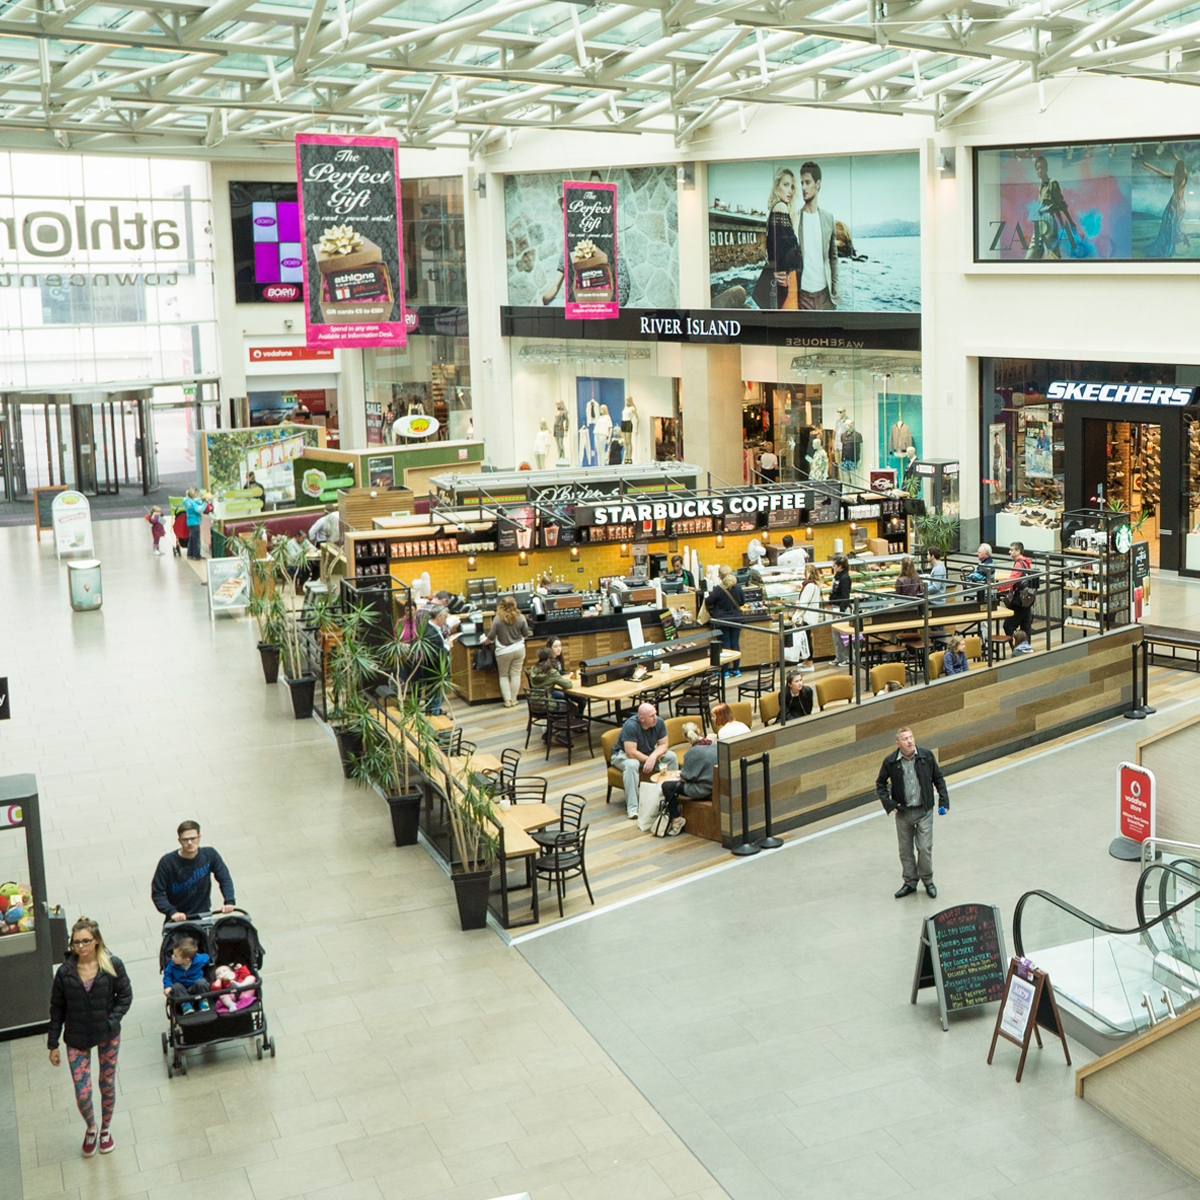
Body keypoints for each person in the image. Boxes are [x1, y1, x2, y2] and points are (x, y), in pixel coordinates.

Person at [47, 917, 133, 1158]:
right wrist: (52, 1043)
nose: (80, 947)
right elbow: (57, 1008)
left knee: (107, 1084)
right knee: (82, 1091)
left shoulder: (111, 964)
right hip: (76, 1036)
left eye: (86, 941)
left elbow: (125, 995)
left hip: (107, 1034)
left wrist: (112, 1020)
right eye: (76, 942)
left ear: (96, 941)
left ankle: (105, 1129)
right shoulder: (65, 973)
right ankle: (91, 1128)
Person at [876, 728, 949, 899]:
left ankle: (928, 881)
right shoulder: (891, 762)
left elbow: (938, 779)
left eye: (911, 737)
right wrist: (889, 803)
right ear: (898, 743)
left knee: (924, 847)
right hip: (903, 812)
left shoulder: (926, 756)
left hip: (924, 810)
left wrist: (944, 802)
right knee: (905, 850)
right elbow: (880, 784)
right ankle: (910, 882)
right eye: (905, 739)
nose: (909, 741)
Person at [152, 821, 236, 923]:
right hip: (178, 919)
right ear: (179, 841)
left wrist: (229, 901)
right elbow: (157, 892)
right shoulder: (167, 862)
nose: (190, 843)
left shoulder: (210, 855)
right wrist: (172, 912)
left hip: (203, 914)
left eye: (193, 838)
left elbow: (224, 879)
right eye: (185, 840)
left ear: (199, 837)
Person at [785, 161, 840, 310]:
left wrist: (835, 289)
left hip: (826, 297)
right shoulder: (795, 218)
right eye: (801, 183)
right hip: (803, 298)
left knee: (830, 334)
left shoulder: (828, 218)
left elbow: (833, 258)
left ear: (818, 184)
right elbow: (786, 256)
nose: (803, 188)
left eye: (807, 182)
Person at [611, 703, 679, 820]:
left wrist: (653, 757)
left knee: (671, 757)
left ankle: (672, 797)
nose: (655, 718)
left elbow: (664, 744)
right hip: (622, 754)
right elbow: (630, 752)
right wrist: (649, 759)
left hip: (648, 753)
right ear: (642, 719)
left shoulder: (659, 722)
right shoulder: (631, 726)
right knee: (633, 764)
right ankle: (632, 808)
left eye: (655, 714)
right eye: (651, 716)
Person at [753, 167, 801, 310]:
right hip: (787, 278)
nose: (790, 191)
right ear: (776, 186)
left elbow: (774, 247)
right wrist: (796, 223)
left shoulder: (774, 209)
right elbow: (792, 248)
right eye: (785, 185)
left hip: (782, 276)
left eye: (792, 187)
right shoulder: (781, 207)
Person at [660, 723, 718, 836]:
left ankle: (676, 819)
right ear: (699, 731)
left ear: (684, 736)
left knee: (667, 786)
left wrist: (678, 776)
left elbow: (686, 777)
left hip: (702, 790)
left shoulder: (692, 752)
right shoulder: (713, 745)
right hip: (715, 786)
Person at [1026, 154, 1080, 260]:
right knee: (1031, 256)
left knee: (1051, 255)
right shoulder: (1041, 186)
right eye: (1037, 169)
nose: (1040, 171)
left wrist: (1070, 221)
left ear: (1046, 168)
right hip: (1040, 220)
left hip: (1048, 219)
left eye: (1042, 168)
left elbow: (1061, 204)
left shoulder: (1052, 183)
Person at [483, 596, 531, 709]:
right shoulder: (521, 617)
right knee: (516, 674)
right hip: (519, 649)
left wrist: (485, 642)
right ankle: (514, 699)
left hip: (503, 651)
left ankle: (507, 700)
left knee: (503, 675)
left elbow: (491, 635)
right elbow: (526, 634)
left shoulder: (498, 619)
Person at [529, 644, 586, 719]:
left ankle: (555, 725)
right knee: (572, 707)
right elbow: (568, 685)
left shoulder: (533, 669)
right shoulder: (552, 672)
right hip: (546, 706)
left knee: (564, 699)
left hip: (533, 704)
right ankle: (564, 727)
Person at [705, 568, 745, 675]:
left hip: (722, 620)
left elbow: (708, 601)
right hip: (736, 619)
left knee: (725, 645)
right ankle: (736, 669)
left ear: (721, 577)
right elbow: (742, 602)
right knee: (735, 644)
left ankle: (725, 670)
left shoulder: (719, 589)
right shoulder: (738, 587)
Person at [416, 604, 454, 715]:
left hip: (432, 673)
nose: (445, 620)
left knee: (432, 701)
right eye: (445, 617)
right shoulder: (431, 633)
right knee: (434, 702)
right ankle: (435, 721)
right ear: (439, 616)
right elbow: (436, 656)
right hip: (434, 674)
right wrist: (447, 647)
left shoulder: (429, 628)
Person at [162, 936, 212, 1016]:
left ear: (186, 960)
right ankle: (185, 1004)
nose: (172, 956)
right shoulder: (172, 964)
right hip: (181, 989)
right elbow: (167, 975)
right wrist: (167, 986)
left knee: (201, 982)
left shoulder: (199, 960)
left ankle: (202, 1000)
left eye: (175, 955)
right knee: (176, 986)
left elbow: (207, 957)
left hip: (195, 987)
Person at [999, 541, 1036, 646]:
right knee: (1025, 626)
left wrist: (998, 587)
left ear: (1018, 551)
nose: (1009, 552)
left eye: (1011, 549)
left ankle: (1017, 648)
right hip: (1027, 599)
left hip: (1019, 601)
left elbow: (1013, 579)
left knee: (1008, 625)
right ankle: (1026, 649)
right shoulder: (1026, 563)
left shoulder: (1019, 564)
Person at [792, 563, 823, 671]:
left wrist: (795, 616)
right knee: (806, 638)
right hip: (811, 616)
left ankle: (810, 664)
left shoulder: (809, 586)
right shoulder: (814, 585)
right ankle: (806, 660)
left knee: (806, 640)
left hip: (806, 617)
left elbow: (803, 604)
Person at [830, 555, 852, 667]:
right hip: (835, 608)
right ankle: (839, 657)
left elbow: (845, 596)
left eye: (834, 565)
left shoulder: (845, 578)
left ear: (840, 566)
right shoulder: (837, 577)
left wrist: (841, 612)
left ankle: (847, 658)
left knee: (844, 636)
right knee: (836, 636)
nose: (833, 567)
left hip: (841, 610)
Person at [281, 528, 311, 593]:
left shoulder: (304, 541)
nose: (304, 539)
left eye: (305, 538)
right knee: (306, 570)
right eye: (302, 538)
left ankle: (308, 586)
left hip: (304, 562)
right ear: (297, 536)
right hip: (293, 565)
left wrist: (312, 549)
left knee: (317, 568)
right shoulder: (290, 544)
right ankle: (299, 587)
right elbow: (293, 556)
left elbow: (311, 547)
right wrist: (303, 551)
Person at [183, 487, 206, 560]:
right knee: (196, 540)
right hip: (195, 522)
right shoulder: (191, 502)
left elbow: (195, 501)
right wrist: (204, 503)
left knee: (192, 539)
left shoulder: (187, 501)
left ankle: (190, 554)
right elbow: (198, 510)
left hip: (190, 522)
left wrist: (201, 500)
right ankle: (196, 555)